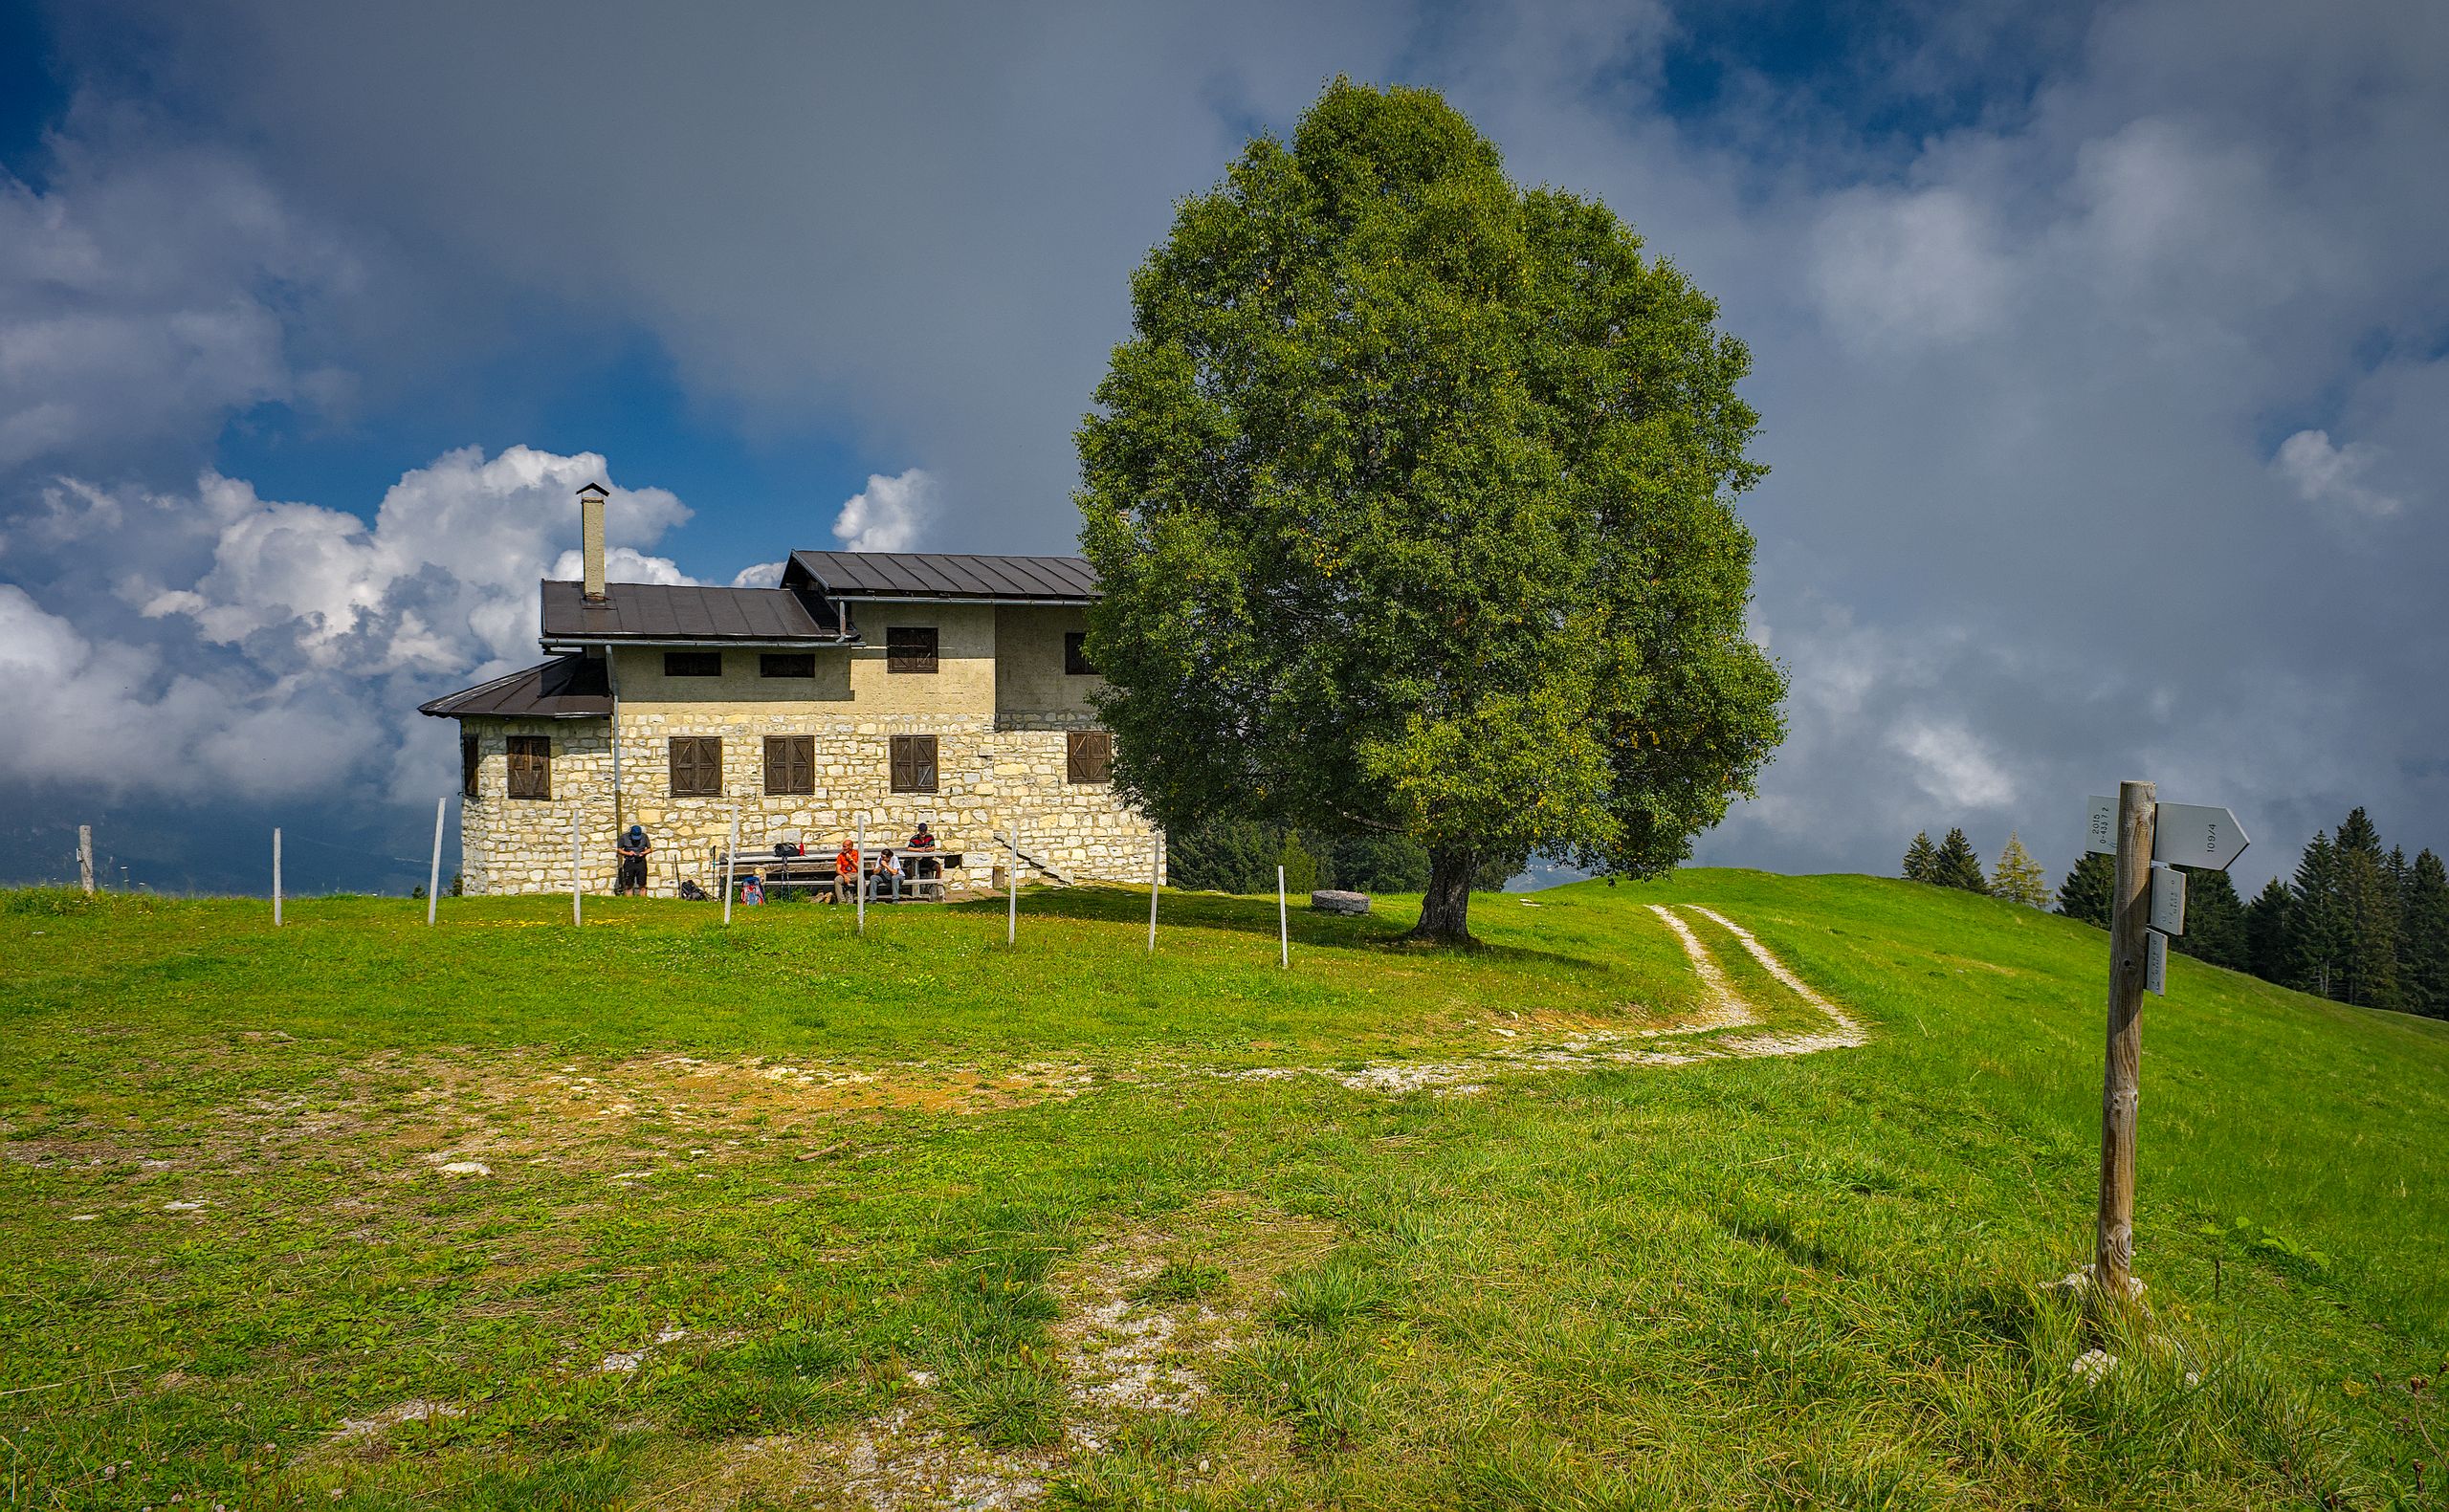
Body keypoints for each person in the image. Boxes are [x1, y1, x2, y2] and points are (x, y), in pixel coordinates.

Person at [616, 824, 651, 896]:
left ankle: (643, 900)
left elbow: (649, 849)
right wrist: (628, 853)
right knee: (628, 884)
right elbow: (619, 850)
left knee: (642, 884)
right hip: (629, 862)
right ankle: (629, 900)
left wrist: (643, 853)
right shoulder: (624, 837)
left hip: (641, 862)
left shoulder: (644, 837)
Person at [906, 822, 939, 886]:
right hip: (916, 861)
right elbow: (909, 848)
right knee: (909, 868)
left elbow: (933, 847)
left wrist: (930, 849)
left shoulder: (930, 837)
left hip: (928, 860)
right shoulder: (914, 838)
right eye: (921, 831)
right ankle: (914, 886)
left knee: (938, 867)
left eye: (924, 831)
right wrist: (919, 850)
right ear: (919, 831)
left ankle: (936, 884)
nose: (923, 833)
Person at [832, 838, 859, 905]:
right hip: (844, 874)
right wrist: (845, 876)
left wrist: (851, 860)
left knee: (862, 879)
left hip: (855, 874)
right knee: (837, 880)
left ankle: (860, 900)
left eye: (845, 847)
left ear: (850, 847)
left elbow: (860, 868)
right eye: (843, 846)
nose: (843, 848)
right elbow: (838, 870)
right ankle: (842, 901)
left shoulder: (856, 854)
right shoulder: (840, 856)